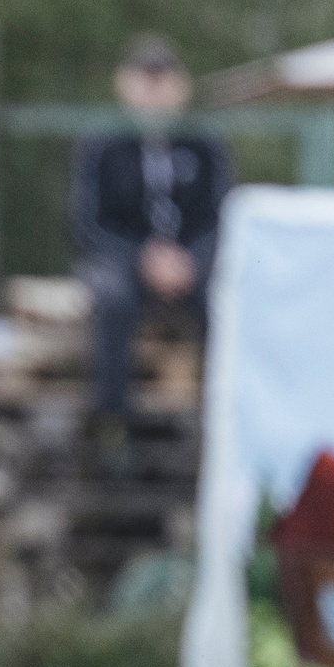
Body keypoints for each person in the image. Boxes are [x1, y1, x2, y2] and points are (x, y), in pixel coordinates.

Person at [69, 37, 232, 435]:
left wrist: (191, 260)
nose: (155, 90)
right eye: (146, 78)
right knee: (112, 300)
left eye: (164, 78)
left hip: (191, 265)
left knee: (226, 302)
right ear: (123, 85)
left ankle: (219, 415)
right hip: (124, 262)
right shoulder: (101, 146)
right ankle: (114, 425)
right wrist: (143, 257)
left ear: (182, 87)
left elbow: (221, 216)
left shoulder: (205, 145)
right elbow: (87, 222)